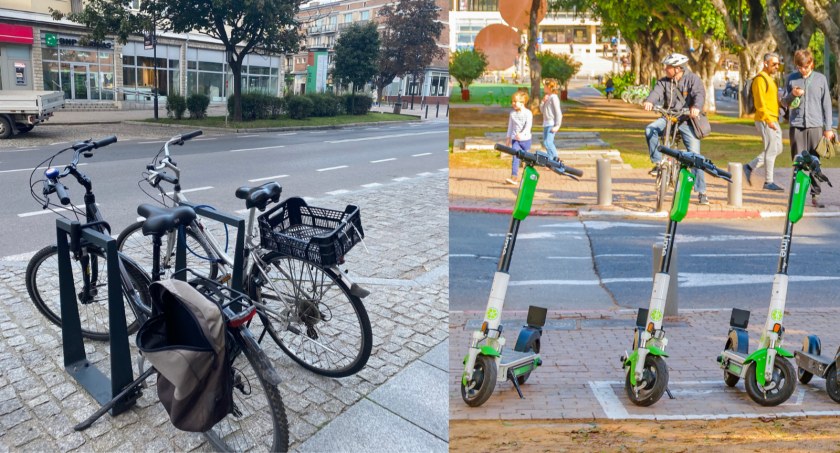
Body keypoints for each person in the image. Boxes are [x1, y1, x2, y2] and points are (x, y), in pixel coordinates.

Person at [643, 53, 709, 205]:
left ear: (678, 68)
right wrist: (649, 101)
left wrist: (696, 107)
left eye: (668, 67)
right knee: (650, 130)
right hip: (668, 119)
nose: (665, 69)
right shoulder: (664, 82)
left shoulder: (692, 79)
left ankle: (702, 191)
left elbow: (699, 94)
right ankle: (658, 161)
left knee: (695, 156)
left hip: (686, 121)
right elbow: (655, 93)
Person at [782, 49, 836, 208]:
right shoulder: (791, 78)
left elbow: (826, 105)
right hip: (797, 126)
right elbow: (785, 102)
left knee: (815, 162)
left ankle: (815, 195)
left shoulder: (820, 79)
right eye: (799, 67)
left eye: (804, 67)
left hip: (816, 126)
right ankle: (795, 195)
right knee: (798, 161)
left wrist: (828, 128)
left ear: (811, 63)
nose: (802, 70)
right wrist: (792, 94)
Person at [743, 53, 784, 192]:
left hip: (773, 118)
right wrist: (768, 120)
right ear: (765, 63)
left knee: (778, 149)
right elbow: (760, 103)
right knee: (771, 150)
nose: (777, 67)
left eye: (778, 64)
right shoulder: (760, 79)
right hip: (765, 119)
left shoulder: (770, 79)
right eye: (774, 64)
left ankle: (749, 166)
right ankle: (768, 181)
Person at [505, 90, 533, 185]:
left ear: (522, 103)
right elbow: (510, 126)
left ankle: (527, 177)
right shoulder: (512, 114)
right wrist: (508, 138)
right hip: (515, 140)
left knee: (526, 159)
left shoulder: (528, 113)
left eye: (515, 101)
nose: (513, 103)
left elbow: (528, 126)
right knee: (515, 157)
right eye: (512, 101)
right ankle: (514, 176)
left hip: (526, 140)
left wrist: (521, 134)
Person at [539, 78, 562, 161]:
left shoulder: (554, 98)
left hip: (551, 124)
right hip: (546, 123)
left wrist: (557, 125)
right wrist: (543, 102)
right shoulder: (548, 97)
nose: (543, 87)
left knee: (548, 143)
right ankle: (550, 161)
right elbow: (542, 110)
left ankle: (556, 160)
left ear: (549, 87)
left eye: (545, 86)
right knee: (546, 143)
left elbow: (558, 112)